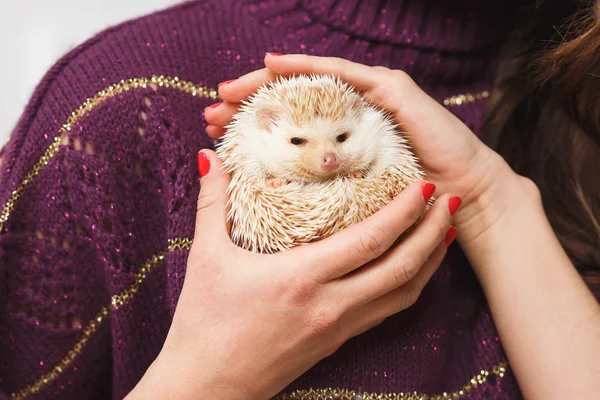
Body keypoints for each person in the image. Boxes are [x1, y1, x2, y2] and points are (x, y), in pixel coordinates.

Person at [0, 0, 598, 399]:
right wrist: (211, 375)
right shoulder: (117, 104)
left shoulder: (578, 92)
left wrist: (495, 202)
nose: (330, 160)